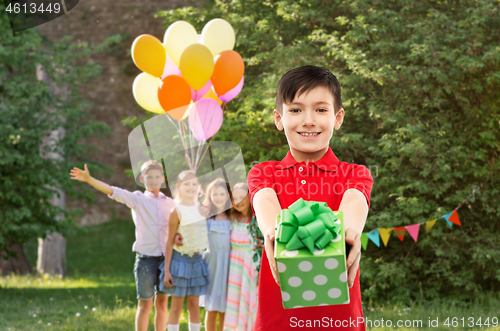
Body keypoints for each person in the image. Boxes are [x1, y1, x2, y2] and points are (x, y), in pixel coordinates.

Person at [247, 65, 374, 330]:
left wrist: (350, 232)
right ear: (279, 118)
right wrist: (273, 232)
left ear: (338, 118)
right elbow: (264, 201)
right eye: (295, 110)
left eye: (321, 109)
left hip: (339, 321)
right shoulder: (264, 172)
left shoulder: (354, 174)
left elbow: (355, 200)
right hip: (277, 321)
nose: (308, 120)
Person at [70, 160, 178, 331]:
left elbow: (177, 226)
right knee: (145, 304)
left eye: (157, 177)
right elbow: (113, 190)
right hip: (146, 260)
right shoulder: (137, 199)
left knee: (163, 303)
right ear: (142, 179)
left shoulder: (171, 203)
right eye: (149, 177)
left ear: (162, 179)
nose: (153, 180)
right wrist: (90, 180)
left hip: (167, 260)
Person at [160, 170, 210, 331]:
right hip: (179, 262)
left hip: (197, 261)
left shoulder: (201, 208)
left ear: (199, 187)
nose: (190, 187)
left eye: (194, 184)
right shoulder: (176, 211)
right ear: (179, 187)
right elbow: (169, 242)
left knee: (194, 305)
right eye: (186, 184)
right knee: (176, 305)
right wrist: (167, 270)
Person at [223, 183, 260, 331]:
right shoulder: (232, 220)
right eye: (234, 198)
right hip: (235, 269)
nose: (238, 202)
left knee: (251, 301)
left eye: (242, 197)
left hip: (252, 268)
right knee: (235, 302)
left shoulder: (256, 221)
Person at [201, 178, 232, 331]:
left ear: (228, 197)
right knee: (212, 306)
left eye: (222, 194)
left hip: (229, 263)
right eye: (215, 195)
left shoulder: (232, 217)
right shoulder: (206, 218)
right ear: (210, 197)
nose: (219, 198)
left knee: (226, 307)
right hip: (212, 263)